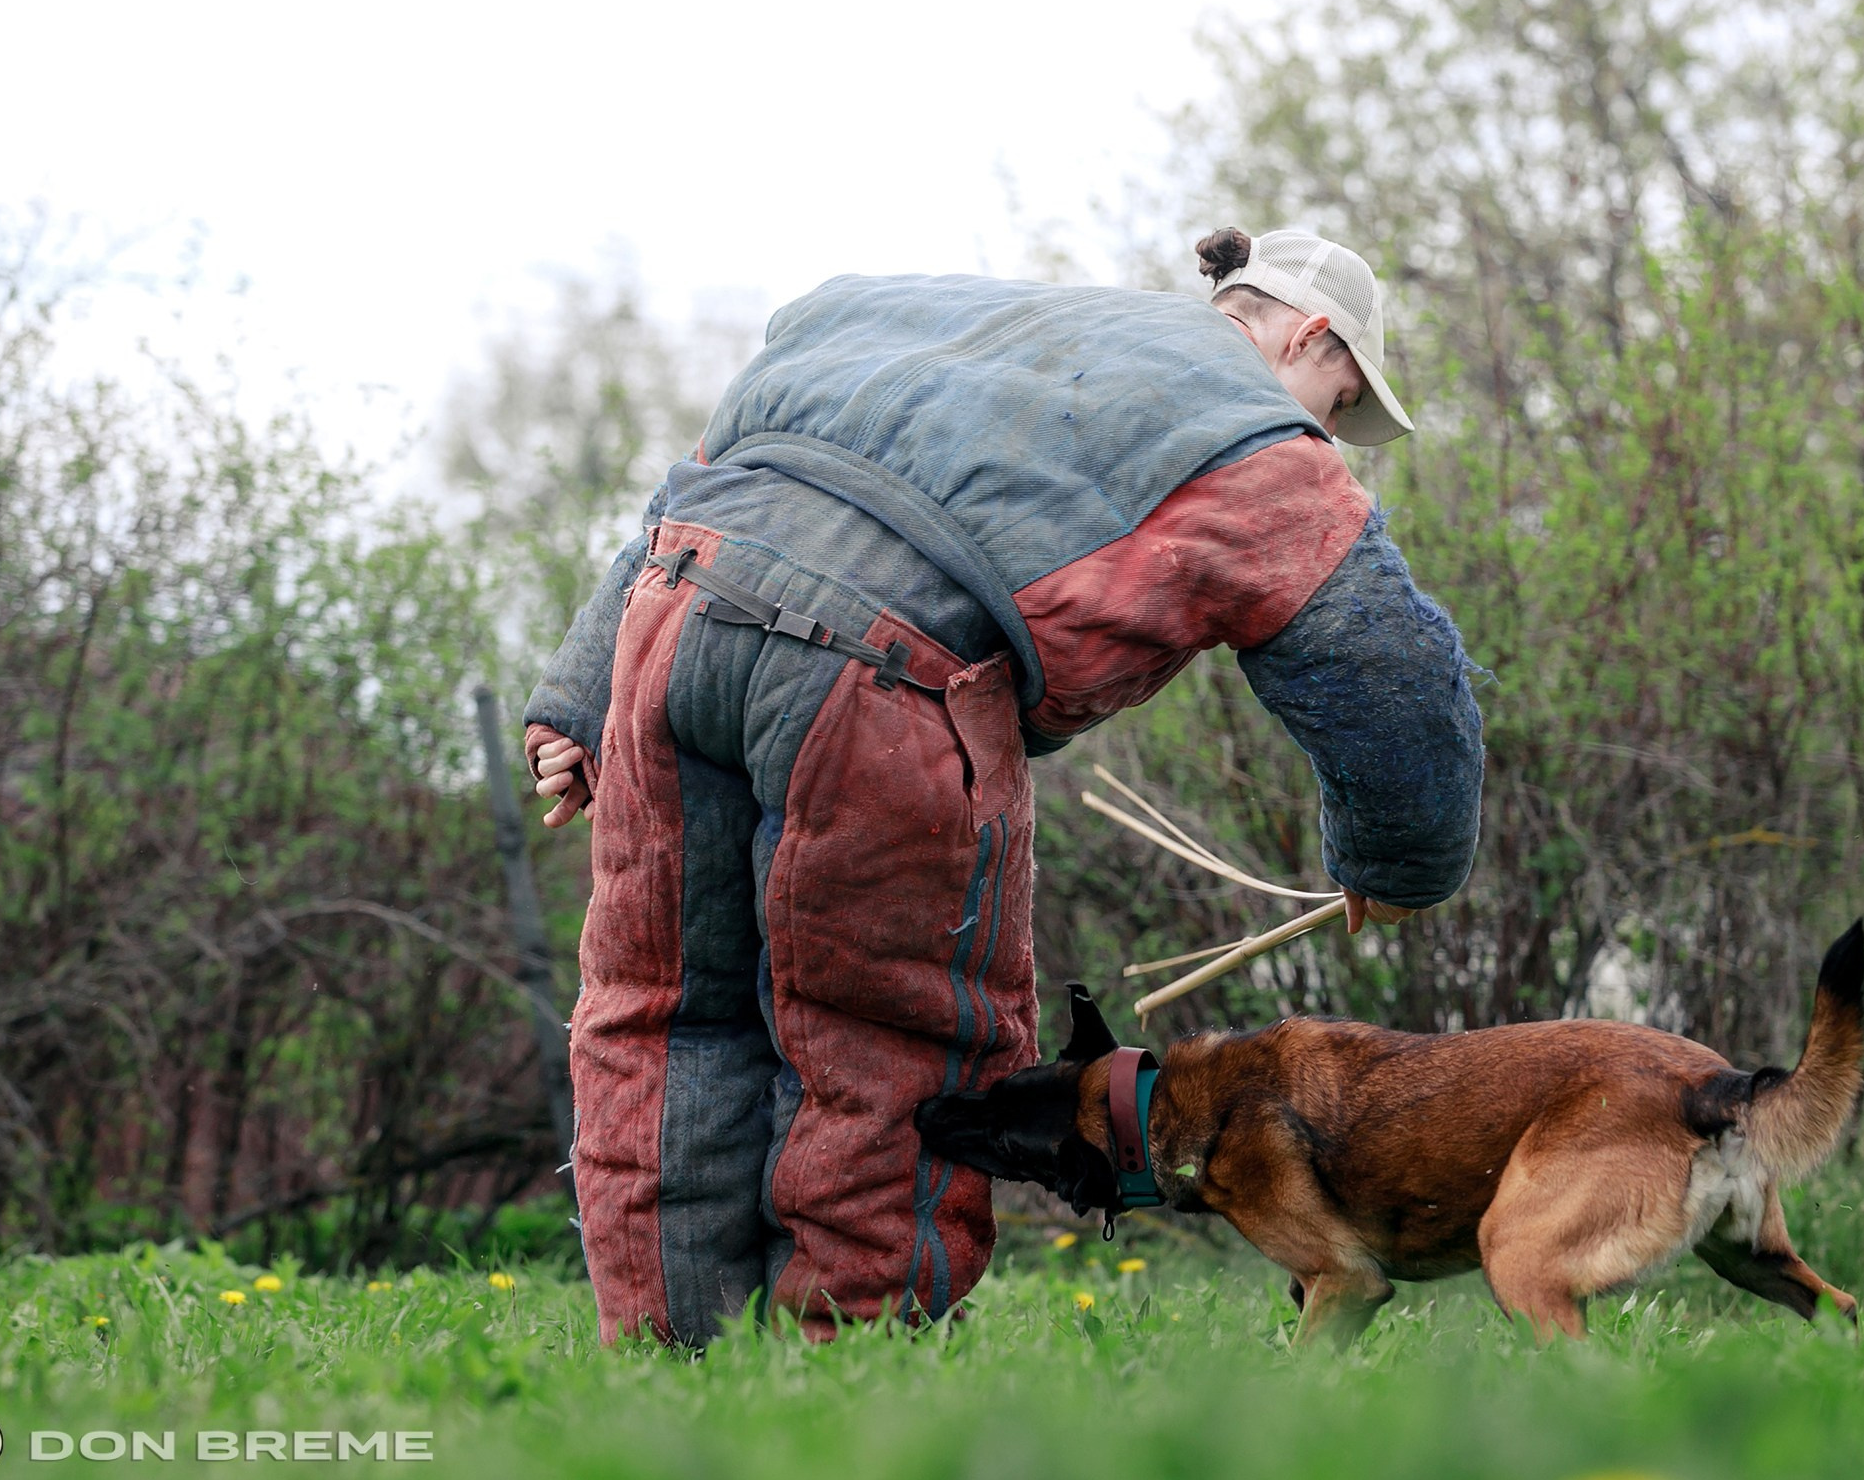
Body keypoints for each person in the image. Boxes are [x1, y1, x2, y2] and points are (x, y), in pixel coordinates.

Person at [522, 227, 1485, 1346]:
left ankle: (667, 1356)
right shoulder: (1248, 436)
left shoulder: (926, 318)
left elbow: (697, 479)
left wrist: (581, 697)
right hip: (883, 682)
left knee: (659, 1012)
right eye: (1340, 397)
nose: (1327, 431)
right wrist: (1401, 861)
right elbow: (1386, 662)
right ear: (1307, 334)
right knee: (884, 1041)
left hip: (674, 624)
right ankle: (851, 1363)